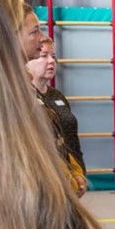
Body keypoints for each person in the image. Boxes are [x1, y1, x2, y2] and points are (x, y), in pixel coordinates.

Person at [0, 0, 112, 229]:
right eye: (35, 31)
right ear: (5, 35)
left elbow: (67, 143)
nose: (43, 43)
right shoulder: (9, 114)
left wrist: (75, 173)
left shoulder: (49, 100)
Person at [30, 36, 88, 195]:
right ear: (27, 60)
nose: (51, 61)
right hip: (45, 183)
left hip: (72, 178)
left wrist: (79, 173)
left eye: (53, 56)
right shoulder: (23, 98)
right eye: (44, 56)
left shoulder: (57, 96)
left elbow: (72, 139)